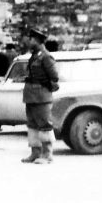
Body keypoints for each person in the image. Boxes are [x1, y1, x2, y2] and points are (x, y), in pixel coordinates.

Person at [20, 28, 59, 164]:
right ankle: (35, 152)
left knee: (44, 124)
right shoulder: (35, 55)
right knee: (32, 125)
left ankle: (47, 154)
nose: (29, 41)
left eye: (31, 39)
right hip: (31, 95)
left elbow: (54, 76)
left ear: (36, 40)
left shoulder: (46, 56)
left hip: (42, 95)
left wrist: (45, 84)